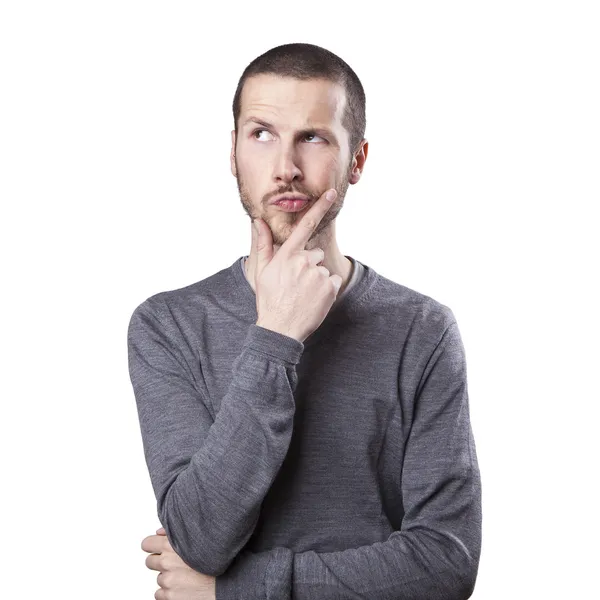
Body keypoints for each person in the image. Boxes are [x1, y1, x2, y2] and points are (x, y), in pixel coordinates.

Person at [128, 42, 482, 600]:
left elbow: (446, 562)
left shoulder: (423, 330)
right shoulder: (167, 326)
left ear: (357, 160)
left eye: (313, 138)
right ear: (233, 152)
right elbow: (200, 541)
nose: (286, 169)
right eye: (262, 134)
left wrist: (240, 588)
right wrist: (276, 337)